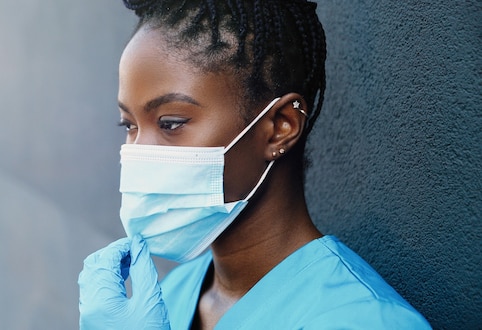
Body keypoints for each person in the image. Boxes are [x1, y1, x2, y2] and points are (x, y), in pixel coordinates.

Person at [79, 0, 431, 329]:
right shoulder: (171, 294)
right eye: (129, 125)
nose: (140, 153)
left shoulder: (363, 320)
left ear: (280, 127)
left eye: (171, 123)